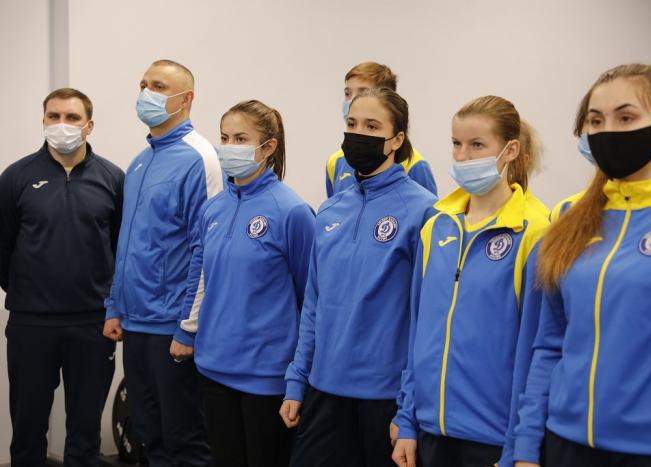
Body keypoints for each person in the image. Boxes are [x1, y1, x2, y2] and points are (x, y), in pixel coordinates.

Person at [514, 64, 651, 467]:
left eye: (626, 117)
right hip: (563, 443)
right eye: (596, 121)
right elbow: (549, 345)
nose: (608, 131)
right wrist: (526, 446)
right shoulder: (571, 219)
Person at [280, 88, 438, 467]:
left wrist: (409, 410)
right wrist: (297, 379)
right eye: (352, 124)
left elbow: (426, 320)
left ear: (397, 139)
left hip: (385, 397)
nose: (358, 134)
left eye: (372, 126)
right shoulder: (331, 209)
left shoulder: (424, 211)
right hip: (324, 389)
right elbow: (314, 303)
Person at [391, 96, 549, 467]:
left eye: (477, 145)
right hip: (430, 432)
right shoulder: (436, 227)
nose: (463, 157)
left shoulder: (534, 233)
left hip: (494, 439)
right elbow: (418, 331)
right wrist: (407, 418)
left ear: (510, 150)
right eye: (456, 144)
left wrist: (521, 446)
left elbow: (535, 350)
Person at [177, 100, 315, 467]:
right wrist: (187, 330)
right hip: (214, 368)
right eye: (225, 138)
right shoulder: (213, 208)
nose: (229, 147)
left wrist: (299, 375)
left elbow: (310, 298)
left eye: (241, 139)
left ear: (269, 147)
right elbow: (201, 276)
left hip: (267, 377)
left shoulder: (292, 212)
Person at [103, 59, 222, 466]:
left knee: (185, 442)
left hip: (173, 327)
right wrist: (115, 306)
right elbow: (129, 243)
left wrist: (189, 326)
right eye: (143, 85)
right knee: (149, 439)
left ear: (186, 98)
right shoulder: (139, 162)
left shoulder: (200, 157)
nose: (146, 93)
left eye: (158, 86)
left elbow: (207, 247)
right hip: (135, 325)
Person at [0, 87, 123, 466]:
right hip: (31, 324)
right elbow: (3, 248)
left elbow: (120, 251)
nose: (62, 124)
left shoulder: (113, 179)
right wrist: (28, 294)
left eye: (72, 118)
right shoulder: (16, 177)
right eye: (53, 116)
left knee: (85, 434)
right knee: (27, 430)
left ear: (89, 125)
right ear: (43, 121)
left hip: (93, 324)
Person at [326, 62, 437, 196]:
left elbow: (426, 205)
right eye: (347, 93)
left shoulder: (414, 164)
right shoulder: (335, 162)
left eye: (363, 92)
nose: (353, 100)